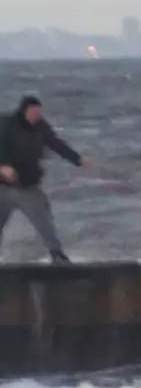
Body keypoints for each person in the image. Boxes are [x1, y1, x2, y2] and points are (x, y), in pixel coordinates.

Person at [0, 96, 89, 263]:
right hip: (2, 188)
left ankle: (57, 255)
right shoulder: (6, 125)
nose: (36, 116)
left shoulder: (40, 126)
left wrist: (77, 159)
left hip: (28, 187)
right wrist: (3, 165)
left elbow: (56, 143)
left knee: (44, 221)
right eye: (33, 113)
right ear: (24, 111)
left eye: (38, 113)